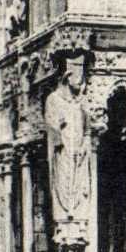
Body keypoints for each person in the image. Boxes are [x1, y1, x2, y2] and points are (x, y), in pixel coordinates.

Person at [44, 56, 91, 226]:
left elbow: (88, 129)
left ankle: (79, 221)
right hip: (62, 151)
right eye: (77, 77)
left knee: (80, 186)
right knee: (63, 183)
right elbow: (49, 123)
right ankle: (64, 221)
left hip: (79, 154)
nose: (81, 81)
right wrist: (59, 126)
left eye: (82, 77)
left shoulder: (83, 101)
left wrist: (84, 145)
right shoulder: (54, 99)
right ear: (68, 77)